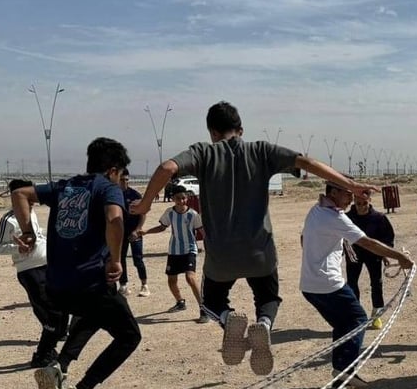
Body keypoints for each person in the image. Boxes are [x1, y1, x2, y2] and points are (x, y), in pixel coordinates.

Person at [130, 100, 377, 372]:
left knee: (212, 302)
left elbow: (167, 168)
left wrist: (145, 204)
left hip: (221, 256)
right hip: (260, 253)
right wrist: (351, 185)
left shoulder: (203, 153)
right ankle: (264, 324)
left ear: (212, 132)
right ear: (241, 129)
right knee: (268, 298)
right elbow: (306, 161)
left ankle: (228, 318)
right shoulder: (261, 151)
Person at [9, 137, 142, 389]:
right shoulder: (107, 188)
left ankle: (59, 365)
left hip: (57, 286)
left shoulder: (64, 186)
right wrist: (117, 260)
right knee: (129, 336)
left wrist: (27, 231)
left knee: (95, 314)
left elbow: (20, 193)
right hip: (90, 282)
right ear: (114, 170)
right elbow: (115, 219)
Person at [300, 182, 413, 384]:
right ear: (333, 192)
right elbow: (367, 242)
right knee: (358, 319)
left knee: (343, 325)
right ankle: (345, 369)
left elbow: (303, 239)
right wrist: (400, 257)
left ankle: (341, 371)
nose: (352, 199)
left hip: (309, 285)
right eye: (348, 194)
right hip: (328, 284)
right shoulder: (335, 217)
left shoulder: (316, 210)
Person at [0, 179, 69, 368]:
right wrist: (18, 248)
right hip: (30, 270)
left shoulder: (33, 213)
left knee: (61, 307)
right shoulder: (8, 219)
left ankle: (49, 348)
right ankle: (43, 354)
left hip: (50, 265)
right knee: (49, 311)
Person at [137, 186, 211, 324]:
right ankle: (180, 302)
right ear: (173, 199)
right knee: (171, 281)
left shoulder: (193, 215)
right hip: (174, 251)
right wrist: (146, 231)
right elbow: (162, 227)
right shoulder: (169, 213)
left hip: (189, 249)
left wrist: (211, 246)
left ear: (187, 198)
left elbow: (202, 231)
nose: (181, 201)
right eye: (178, 198)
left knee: (190, 278)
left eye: (183, 198)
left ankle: (203, 309)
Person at [345, 191, 395, 330]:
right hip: (354, 255)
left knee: (376, 283)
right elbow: (340, 237)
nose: (361, 207)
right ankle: (356, 315)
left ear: (370, 200)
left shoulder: (379, 218)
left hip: (374, 255)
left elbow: (387, 237)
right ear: (354, 200)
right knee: (352, 283)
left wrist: (385, 254)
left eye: (365, 203)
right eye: (358, 203)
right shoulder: (347, 218)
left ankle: (376, 314)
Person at [119, 169, 149, 297]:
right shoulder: (114, 194)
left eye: (126, 179)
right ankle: (123, 285)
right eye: (122, 179)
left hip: (134, 232)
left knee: (138, 259)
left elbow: (143, 214)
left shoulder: (135, 195)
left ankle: (144, 285)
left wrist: (137, 230)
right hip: (120, 233)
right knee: (121, 259)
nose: (125, 182)